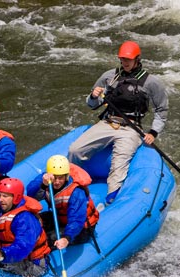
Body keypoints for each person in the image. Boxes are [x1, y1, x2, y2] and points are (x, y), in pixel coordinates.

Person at [68, 40, 168, 204]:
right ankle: (71, 186)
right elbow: (92, 104)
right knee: (74, 150)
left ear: (137, 59)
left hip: (131, 129)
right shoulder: (110, 77)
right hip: (108, 123)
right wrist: (93, 96)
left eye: (128, 59)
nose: (125, 62)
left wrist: (153, 132)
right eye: (122, 59)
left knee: (118, 164)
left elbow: (161, 110)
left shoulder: (151, 82)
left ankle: (111, 200)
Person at [27, 154, 100, 251]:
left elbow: (76, 220)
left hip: (81, 229)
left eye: (60, 178)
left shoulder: (76, 192)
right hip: (60, 218)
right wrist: (43, 185)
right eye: (54, 177)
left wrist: (66, 238)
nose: (56, 182)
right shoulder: (46, 179)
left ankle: (38, 257)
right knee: (31, 222)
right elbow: (31, 195)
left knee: (47, 239)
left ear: (66, 176)